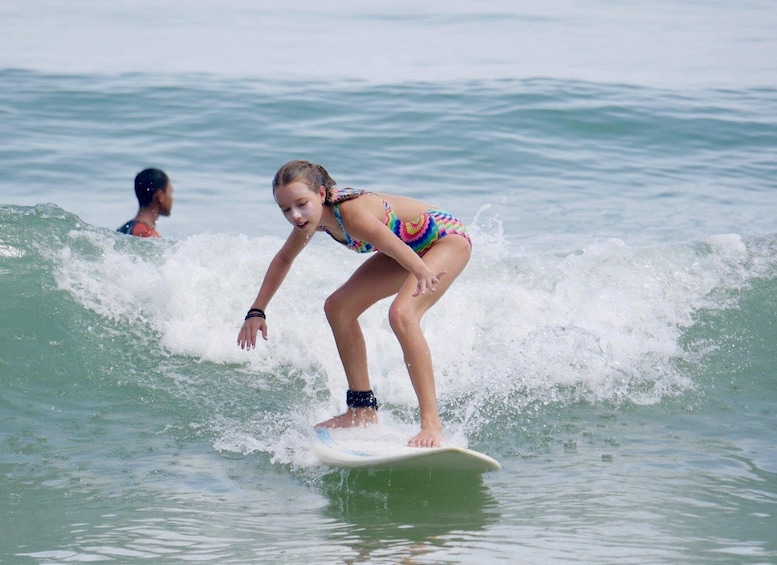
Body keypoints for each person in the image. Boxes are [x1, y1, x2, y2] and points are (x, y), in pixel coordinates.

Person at [237, 160, 472, 447]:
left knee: (402, 314)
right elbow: (284, 259)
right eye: (286, 209)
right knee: (338, 307)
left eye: (301, 204)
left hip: (443, 240)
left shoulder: (351, 214)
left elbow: (392, 244)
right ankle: (361, 411)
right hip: (408, 249)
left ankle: (432, 425)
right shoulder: (311, 222)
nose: (295, 215)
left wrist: (422, 271)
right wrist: (256, 310)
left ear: (321, 194)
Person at [117, 168, 174, 237]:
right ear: (160, 196)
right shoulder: (148, 235)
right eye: (170, 192)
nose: (171, 199)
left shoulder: (122, 229)